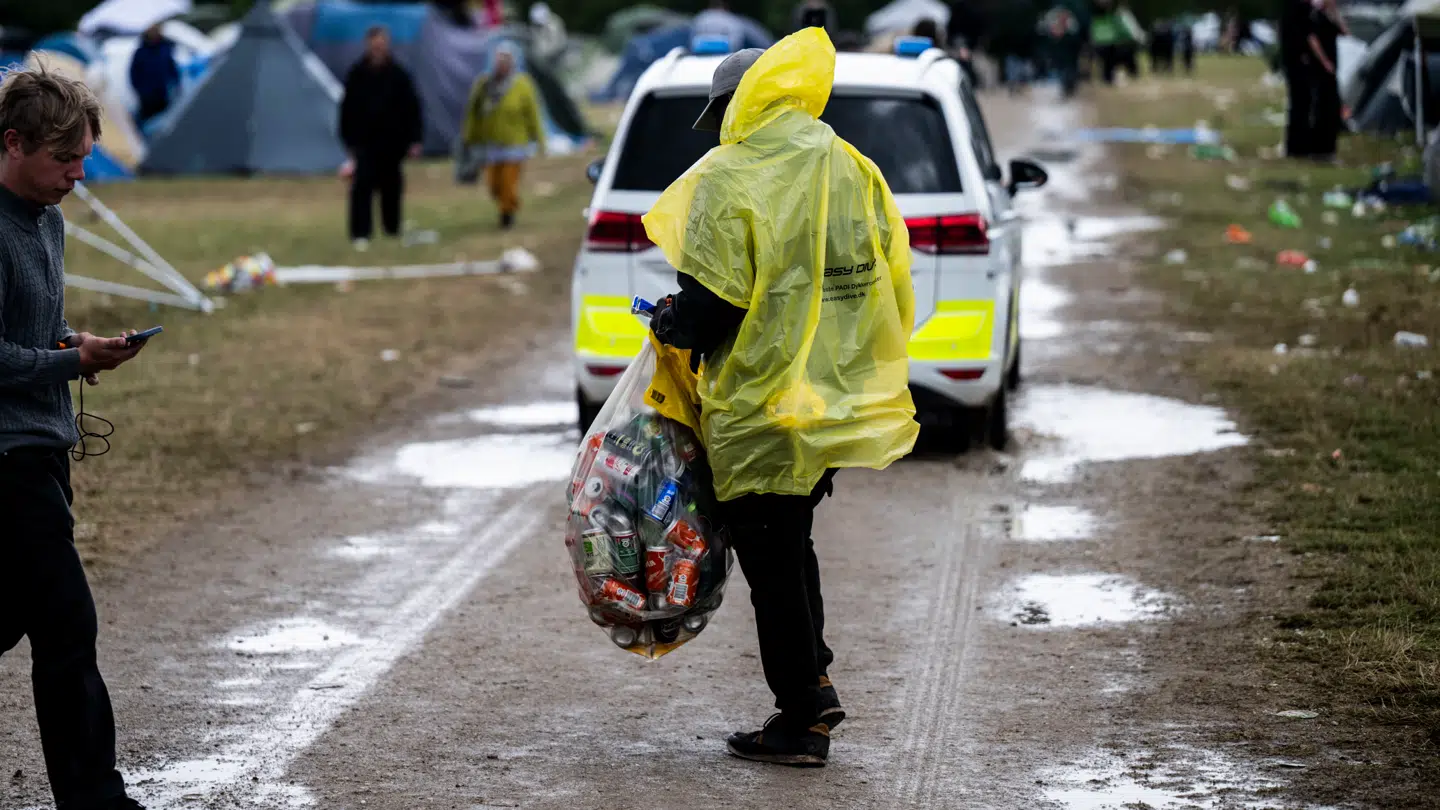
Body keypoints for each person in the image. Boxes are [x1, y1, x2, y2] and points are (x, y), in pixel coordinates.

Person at [642, 28, 920, 767]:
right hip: (826, 395)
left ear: (735, 106)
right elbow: (886, 270)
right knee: (789, 544)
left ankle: (803, 712)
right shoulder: (844, 161)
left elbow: (711, 308)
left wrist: (671, 318)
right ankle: (812, 681)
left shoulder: (732, 177)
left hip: (762, 402)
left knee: (772, 561)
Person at [0, 65, 153, 810]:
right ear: (13, 144)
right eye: (65, 158)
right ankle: (96, 799)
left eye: (85, 157)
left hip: (44, 449)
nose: (79, 174)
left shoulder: (48, 220)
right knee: (67, 628)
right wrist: (67, 360)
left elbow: (25, 333)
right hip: (8, 462)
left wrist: (76, 344)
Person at [338, 26, 423, 251]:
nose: (378, 48)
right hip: (365, 142)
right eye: (375, 44)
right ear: (368, 45)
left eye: (382, 44)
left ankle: (392, 228)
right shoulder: (357, 74)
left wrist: (414, 139)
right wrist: (348, 140)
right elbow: (347, 109)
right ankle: (360, 232)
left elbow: (412, 108)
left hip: (393, 142)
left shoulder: (399, 74)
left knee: (391, 188)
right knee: (362, 188)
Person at [460, 42, 545, 230]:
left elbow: (532, 113)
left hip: (515, 142)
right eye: (499, 60)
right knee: (493, 185)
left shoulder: (522, 85)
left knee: (508, 182)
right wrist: (469, 135)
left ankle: (507, 213)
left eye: (506, 61)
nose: (502, 65)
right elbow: (473, 112)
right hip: (490, 142)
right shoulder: (484, 84)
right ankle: (506, 204)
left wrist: (539, 138)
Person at [1307, 0, 1347, 162]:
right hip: (1321, 69)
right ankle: (1319, 149)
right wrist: (1324, 61)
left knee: (1332, 109)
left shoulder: (1329, 16)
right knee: (1322, 108)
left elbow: (1344, 32)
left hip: (1332, 69)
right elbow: (1312, 40)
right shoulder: (1315, 16)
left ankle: (1329, 148)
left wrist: (1336, 14)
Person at [1279, 0, 1316, 158]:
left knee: (1298, 104)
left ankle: (1296, 145)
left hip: (1292, 62)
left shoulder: (1289, 9)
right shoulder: (1300, 10)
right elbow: (1307, 35)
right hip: (1299, 63)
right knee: (1301, 104)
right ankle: (1298, 146)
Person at [128, 24, 179, 128]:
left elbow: (172, 68)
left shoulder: (165, 48)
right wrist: (142, 92)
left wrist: (175, 84)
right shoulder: (140, 53)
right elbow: (134, 75)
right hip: (148, 98)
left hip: (165, 94)